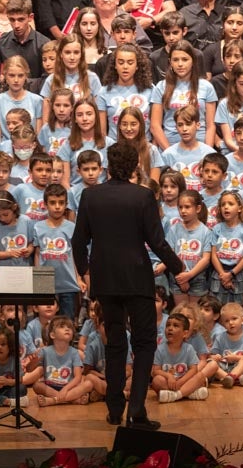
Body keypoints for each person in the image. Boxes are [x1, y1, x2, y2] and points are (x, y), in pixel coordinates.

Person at [73, 140, 183, 430]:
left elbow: (78, 241)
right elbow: (156, 241)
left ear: (108, 165)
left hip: (106, 280)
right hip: (137, 278)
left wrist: (86, 272)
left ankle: (113, 409)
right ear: (135, 165)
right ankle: (136, 410)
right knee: (144, 343)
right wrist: (179, 268)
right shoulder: (143, 196)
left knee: (115, 342)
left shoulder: (90, 196)